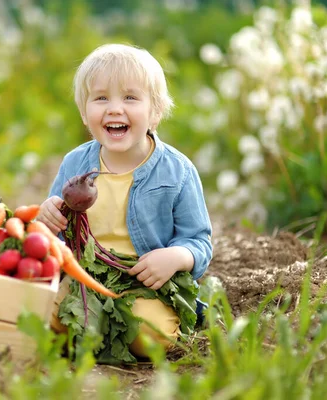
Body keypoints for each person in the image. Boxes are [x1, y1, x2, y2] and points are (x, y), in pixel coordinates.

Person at [37, 43, 213, 358]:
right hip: (83, 281)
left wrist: (174, 258)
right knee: (42, 316)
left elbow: (198, 241)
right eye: (101, 98)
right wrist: (47, 216)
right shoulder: (75, 163)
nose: (115, 109)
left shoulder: (178, 171)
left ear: (155, 112)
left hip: (144, 285)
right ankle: (94, 324)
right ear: (84, 112)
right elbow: (53, 234)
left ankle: (99, 330)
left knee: (150, 335)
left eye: (130, 98)